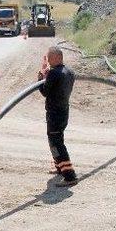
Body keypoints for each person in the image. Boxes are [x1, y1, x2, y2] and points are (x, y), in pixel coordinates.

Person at [37, 46, 78, 187]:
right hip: (64, 112)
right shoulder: (70, 72)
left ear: (56, 58)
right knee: (57, 140)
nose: (47, 61)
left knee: (56, 143)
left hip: (54, 114)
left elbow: (44, 92)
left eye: (49, 58)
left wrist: (40, 78)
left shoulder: (54, 73)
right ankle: (60, 167)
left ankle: (69, 175)